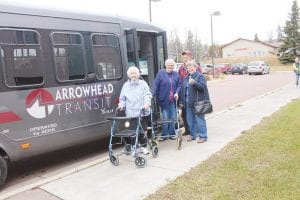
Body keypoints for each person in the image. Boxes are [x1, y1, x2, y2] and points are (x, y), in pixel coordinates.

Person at [118, 66, 152, 154]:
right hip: (131, 112)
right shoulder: (125, 85)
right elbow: (122, 98)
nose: (133, 75)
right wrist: (121, 105)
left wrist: (147, 103)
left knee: (143, 130)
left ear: (138, 74)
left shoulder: (143, 83)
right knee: (133, 131)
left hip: (142, 111)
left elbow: (147, 94)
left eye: (135, 73)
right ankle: (135, 146)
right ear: (129, 75)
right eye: (131, 73)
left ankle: (144, 146)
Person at [179, 60, 209, 143]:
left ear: (195, 67)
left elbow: (203, 88)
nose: (190, 68)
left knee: (200, 120)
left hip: (198, 103)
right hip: (188, 103)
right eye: (188, 67)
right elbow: (183, 90)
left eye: (192, 66)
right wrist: (181, 101)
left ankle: (203, 136)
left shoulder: (200, 76)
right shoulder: (186, 78)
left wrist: (194, 83)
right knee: (190, 120)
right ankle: (192, 135)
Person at [152, 58, 181, 141]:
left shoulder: (176, 74)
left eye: (172, 65)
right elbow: (155, 85)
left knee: (173, 117)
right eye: (169, 65)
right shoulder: (161, 73)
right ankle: (165, 134)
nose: (170, 67)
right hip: (163, 99)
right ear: (166, 65)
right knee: (165, 117)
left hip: (173, 99)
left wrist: (177, 93)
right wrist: (152, 94)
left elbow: (179, 85)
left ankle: (172, 134)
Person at [178, 50, 202, 136]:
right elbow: (179, 80)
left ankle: (197, 131)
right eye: (184, 57)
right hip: (184, 92)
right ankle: (188, 130)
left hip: (193, 92)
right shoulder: (181, 68)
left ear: (190, 57)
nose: (185, 59)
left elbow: (199, 78)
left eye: (187, 57)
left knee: (195, 112)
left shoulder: (196, 67)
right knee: (184, 113)